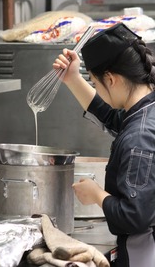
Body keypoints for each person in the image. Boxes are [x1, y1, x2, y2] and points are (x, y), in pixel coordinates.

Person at [52, 22, 155, 267]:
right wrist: (73, 79)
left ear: (111, 79)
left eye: (96, 84)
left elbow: (134, 217)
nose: (97, 89)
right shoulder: (145, 111)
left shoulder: (139, 136)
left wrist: (97, 195)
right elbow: (112, 117)